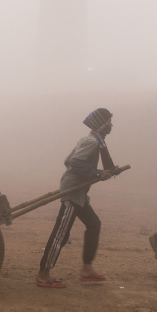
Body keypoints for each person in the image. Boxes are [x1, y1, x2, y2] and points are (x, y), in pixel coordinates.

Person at [36, 107, 117, 288]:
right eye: (109, 121)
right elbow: (74, 162)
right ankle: (43, 274)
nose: (111, 125)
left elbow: (67, 161)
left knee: (94, 224)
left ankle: (87, 269)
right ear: (101, 124)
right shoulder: (92, 142)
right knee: (61, 233)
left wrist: (99, 173)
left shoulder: (89, 139)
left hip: (78, 192)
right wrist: (96, 173)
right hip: (72, 191)